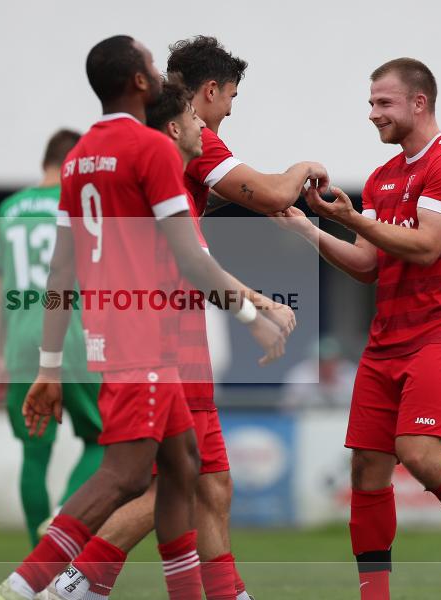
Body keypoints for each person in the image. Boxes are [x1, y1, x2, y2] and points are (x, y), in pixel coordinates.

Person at [0, 35, 287, 600]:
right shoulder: (150, 152)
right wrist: (253, 313)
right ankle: (24, 590)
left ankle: (128, 590)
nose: (164, 77)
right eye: (152, 66)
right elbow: (191, 257)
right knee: (122, 476)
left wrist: (50, 367)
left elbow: (59, 273)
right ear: (140, 83)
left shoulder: (78, 160)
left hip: (108, 335)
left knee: (183, 470)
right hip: (148, 340)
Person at [272, 58, 441, 600]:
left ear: (419, 102)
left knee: (419, 452)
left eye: (382, 103)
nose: (372, 114)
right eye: (370, 103)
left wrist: (349, 218)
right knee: (367, 468)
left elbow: (428, 244)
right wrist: (306, 228)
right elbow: (369, 264)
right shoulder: (381, 179)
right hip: (387, 338)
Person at [47, 83, 296, 600]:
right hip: (165, 346)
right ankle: (63, 582)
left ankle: (221, 593)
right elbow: (199, 265)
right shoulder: (164, 174)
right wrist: (258, 309)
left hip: (158, 342)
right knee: (158, 481)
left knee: (205, 480)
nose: (215, 121)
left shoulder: (113, 165)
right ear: (187, 113)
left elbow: (63, 271)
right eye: (221, 101)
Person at [0, 128, 104, 547]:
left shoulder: (10, 208)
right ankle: (63, 518)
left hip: (20, 347)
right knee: (105, 440)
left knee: (34, 455)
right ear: (75, 166)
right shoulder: (82, 207)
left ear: (44, 162)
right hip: (74, 340)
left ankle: (42, 560)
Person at [167, 36, 328, 218]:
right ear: (211, 91)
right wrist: (304, 168)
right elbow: (274, 195)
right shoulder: (196, 136)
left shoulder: (161, 127)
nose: (229, 112)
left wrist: (234, 189)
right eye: (231, 97)